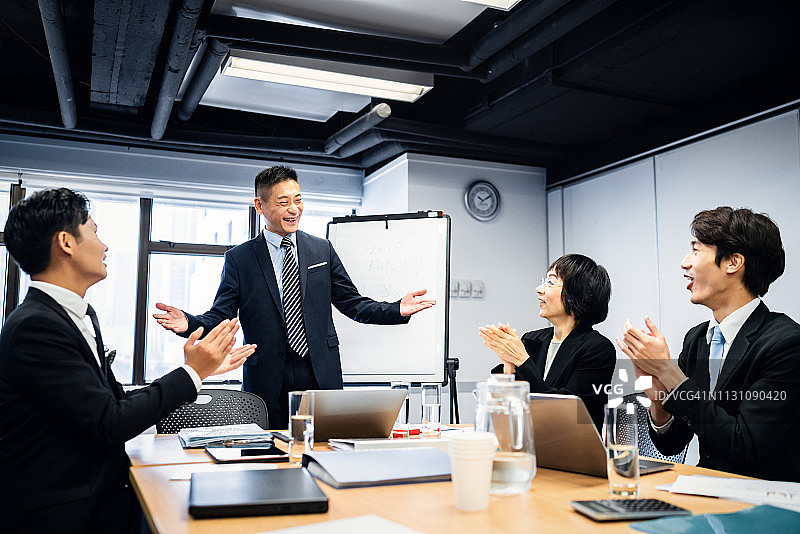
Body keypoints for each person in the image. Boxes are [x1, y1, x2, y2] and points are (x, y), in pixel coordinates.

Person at [0, 188, 254, 533]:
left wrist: (197, 373)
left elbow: (114, 402)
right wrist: (192, 372)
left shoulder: (76, 315)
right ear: (66, 242)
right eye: (93, 231)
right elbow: (110, 422)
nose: (104, 246)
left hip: (100, 498)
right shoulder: (36, 327)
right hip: (64, 515)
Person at [154, 165, 436, 428]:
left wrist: (396, 309)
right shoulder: (240, 259)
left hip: (320, 371)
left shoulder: (321, 250)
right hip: (266, 377)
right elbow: (221, 315)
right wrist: (189, 324)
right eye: (283, 202)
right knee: (265, 453)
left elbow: (353, 303)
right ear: (260, 205)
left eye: (298, 200)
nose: (294, 209)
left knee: (325, 447)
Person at [617, 207, 800, 481]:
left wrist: (670, 373)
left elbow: (744, 446)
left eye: (696, 250)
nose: (684, 263)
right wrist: (658, 398)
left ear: (733, 262)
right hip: (707, 492)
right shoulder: (696, 339)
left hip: (763, 499)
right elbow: (672, 444)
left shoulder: (787, 343)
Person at [479, 253, 615, 428]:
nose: (539, 289)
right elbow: (507, 408)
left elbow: (566, 414)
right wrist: (509, 366)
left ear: (579, 294)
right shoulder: (532, 339)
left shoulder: (597, 349)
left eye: (550, 282)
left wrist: (522, 360)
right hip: (527, 438)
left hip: (571, 443)